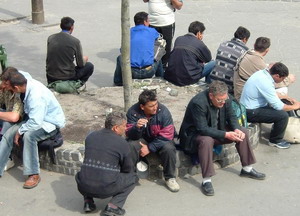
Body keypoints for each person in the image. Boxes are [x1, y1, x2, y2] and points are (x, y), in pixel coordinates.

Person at [179, 80, 265, 196]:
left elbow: (232, 116)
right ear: (211, 96)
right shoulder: (198, 103)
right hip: (194, 135)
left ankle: (247, 168)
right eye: (219, 100)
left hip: (217, 129)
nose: (223, 103)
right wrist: (225, 134)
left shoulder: (225, 98)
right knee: (207, 140)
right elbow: (202, 129)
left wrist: (236, 129)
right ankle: (207, 180)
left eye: (224, 100)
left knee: (242, 132)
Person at [0, 67, 65, 189]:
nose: (6, 89)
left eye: (9, 87)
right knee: (8, 133)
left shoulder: (36, 97)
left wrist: (20, 131)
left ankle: (33, 174)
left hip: (48, 122)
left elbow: (36, 122)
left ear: (17, 88)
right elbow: (15, 72)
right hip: (33, 118)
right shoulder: (21, 78)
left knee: (29, 136)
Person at [76, 112, 137, 216]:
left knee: (82, 174)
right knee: (133, 177)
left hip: (83, 186)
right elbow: (127, 169)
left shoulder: (90, 136)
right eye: (124, 126)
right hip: (105, 189)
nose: (126, 128)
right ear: (115, 128)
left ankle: (88, 202)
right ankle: (113, 206)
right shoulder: (122, 143)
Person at [126, 89, 179, 192]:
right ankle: (130, 176)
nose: (155, 108)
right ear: (142, 106)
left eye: (156, 104)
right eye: (151, 106)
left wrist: (150, 147)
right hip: (142, 139)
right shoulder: (133, 112)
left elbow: (168, 134)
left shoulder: (163, 111)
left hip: (160, 138)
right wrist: (136, 128)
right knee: (131, 145)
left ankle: (170, 178)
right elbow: (129, 134)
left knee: (169, 148)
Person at [240, 62, 300, 149]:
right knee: (282, 115)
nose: (282, 81)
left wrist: (286, 98)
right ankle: (275, 140)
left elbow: (271, 94)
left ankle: (285, 129)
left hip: (255, 105)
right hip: (250, 111)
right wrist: (296, 106)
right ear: (277, 76)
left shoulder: (263, 74)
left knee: (285, 102)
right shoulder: (265, 82)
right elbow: (279, 106)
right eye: (282, 79)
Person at [113, 12, 164, 86]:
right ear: (144, 22)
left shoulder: (128, 32)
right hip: (148, 71)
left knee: (120, 58)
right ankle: (160, 78)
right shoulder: (152, 31)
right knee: (158, 55)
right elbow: (159, 42)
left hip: (131, 71)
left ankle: (118, 81)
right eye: (148, 21)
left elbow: (122, 51)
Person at [164, 21, 215, 86]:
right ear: (199, 33)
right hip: (189, 78)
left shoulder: (179, 39)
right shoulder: (199, 43)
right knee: (213, 63)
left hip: (172, 76)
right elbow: (208, 58)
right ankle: (207, 86)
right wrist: (200, 41)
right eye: (202, 33)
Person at [46, 16, 94, 84]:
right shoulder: (75, 42)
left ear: (60, 26)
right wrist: (85, 59)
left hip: (51, 76)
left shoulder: (50, 38)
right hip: (67, 76)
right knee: (89, 66)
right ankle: (78, 85)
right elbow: (80, 64)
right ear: (72, 27)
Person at [143, 0, 183, 69]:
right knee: (151, 47)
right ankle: (152, 67)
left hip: (167, 23)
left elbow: (179, 6)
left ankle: (163, 68)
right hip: (152, 22)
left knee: (166, 48)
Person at [210, 26, 250, 93]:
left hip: (213, 79)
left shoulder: (223, 44)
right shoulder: (245, 51)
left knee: (214, 63)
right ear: (245, 39)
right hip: (228, 85)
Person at [0, 73, 24, 171]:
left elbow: (14, 117)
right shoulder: (6, 89)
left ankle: (8, 159)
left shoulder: (18, 92)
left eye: (6, 84)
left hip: (22, 121)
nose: (3, 85)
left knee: (7, 123)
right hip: (9, 115)